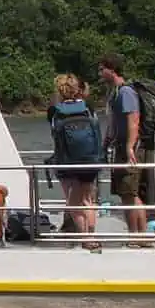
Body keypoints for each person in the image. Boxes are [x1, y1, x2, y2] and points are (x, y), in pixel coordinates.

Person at [98, 53, 150, 245]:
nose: (100, 73)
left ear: (112, 69)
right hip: (119, 147)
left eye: (102, 68)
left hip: (130, 148)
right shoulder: (115, 93)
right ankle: (133, 235)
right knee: (124, 193)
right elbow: (113, 122)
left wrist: (129, 147)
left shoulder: (126, 92)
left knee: (131, 192)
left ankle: (140, 237)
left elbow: (133, 119)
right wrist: (105, 144)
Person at [47, 73, 101, 250]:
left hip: (66, 162)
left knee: (73, 202)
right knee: (87, 200)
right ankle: (92, 235)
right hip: (90, 160)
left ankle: (86, 239)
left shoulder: (55, 111)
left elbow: (54, 133)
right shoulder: (88, 108)